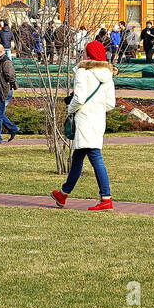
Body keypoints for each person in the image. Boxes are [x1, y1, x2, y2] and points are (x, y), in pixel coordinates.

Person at [51, 41, 116, 211]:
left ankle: (106, 197)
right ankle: (63, 194)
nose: (82, 55)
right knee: (78, 157)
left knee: (95, 157)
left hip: (84, 119)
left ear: (89, 55)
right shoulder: (107, 75)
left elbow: (79, 98)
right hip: (98, 119)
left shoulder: (82, 72)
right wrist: (96, 107)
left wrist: (70, 109)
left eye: (84, 52)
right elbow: (110, 103)